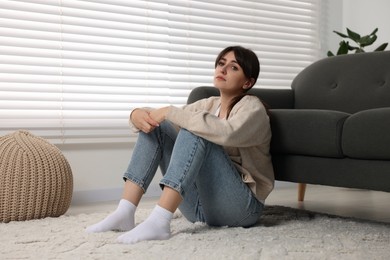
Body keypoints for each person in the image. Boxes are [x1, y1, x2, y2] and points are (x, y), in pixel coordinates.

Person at [86, 46, 274, 244]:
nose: (223, 69)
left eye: (234, 67)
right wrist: (136, 114)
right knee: (159, 127)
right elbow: (167, 119)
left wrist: (169, 112)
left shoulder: (253, 108)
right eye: (221, 63)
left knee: (196, 127)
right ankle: (125, 211)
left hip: (242, 209)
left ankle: (159, 220)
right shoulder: (209, 104)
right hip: (198, 209)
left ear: (248, 82)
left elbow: (227, 132)